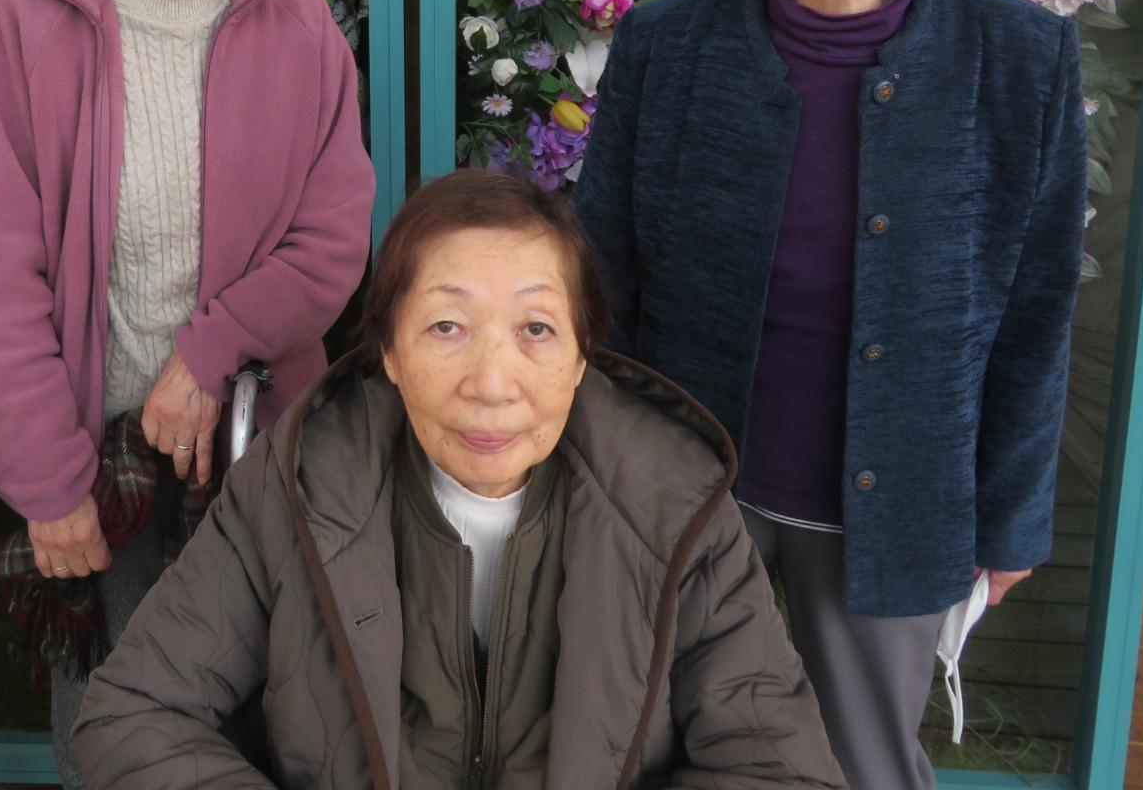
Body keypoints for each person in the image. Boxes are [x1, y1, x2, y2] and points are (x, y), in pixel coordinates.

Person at [574, 0, 1089, 790]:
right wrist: (598, 482)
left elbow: (1036, 315)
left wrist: (1009, 522)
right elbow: (603, 282)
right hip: (690, 496)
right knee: (657, 751)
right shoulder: (668, 46)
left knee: (861, 765)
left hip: (895, 510)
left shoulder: (1017, 58)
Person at [71, 169, 848, 790]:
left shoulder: (674, 506)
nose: (491, 383)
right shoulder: (296, 485)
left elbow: (778, 768)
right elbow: (133, 714)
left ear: (583, 355)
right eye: (447, 327)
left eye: (536, 329)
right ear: (389, 352)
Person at [0, 0, 374, 787]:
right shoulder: (30, 21)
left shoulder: (297, 21)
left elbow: (333, 240)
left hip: (255, 457)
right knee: (118, 734)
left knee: (274, 724)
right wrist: (47, 485)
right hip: (97, 465)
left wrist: (210, 349)